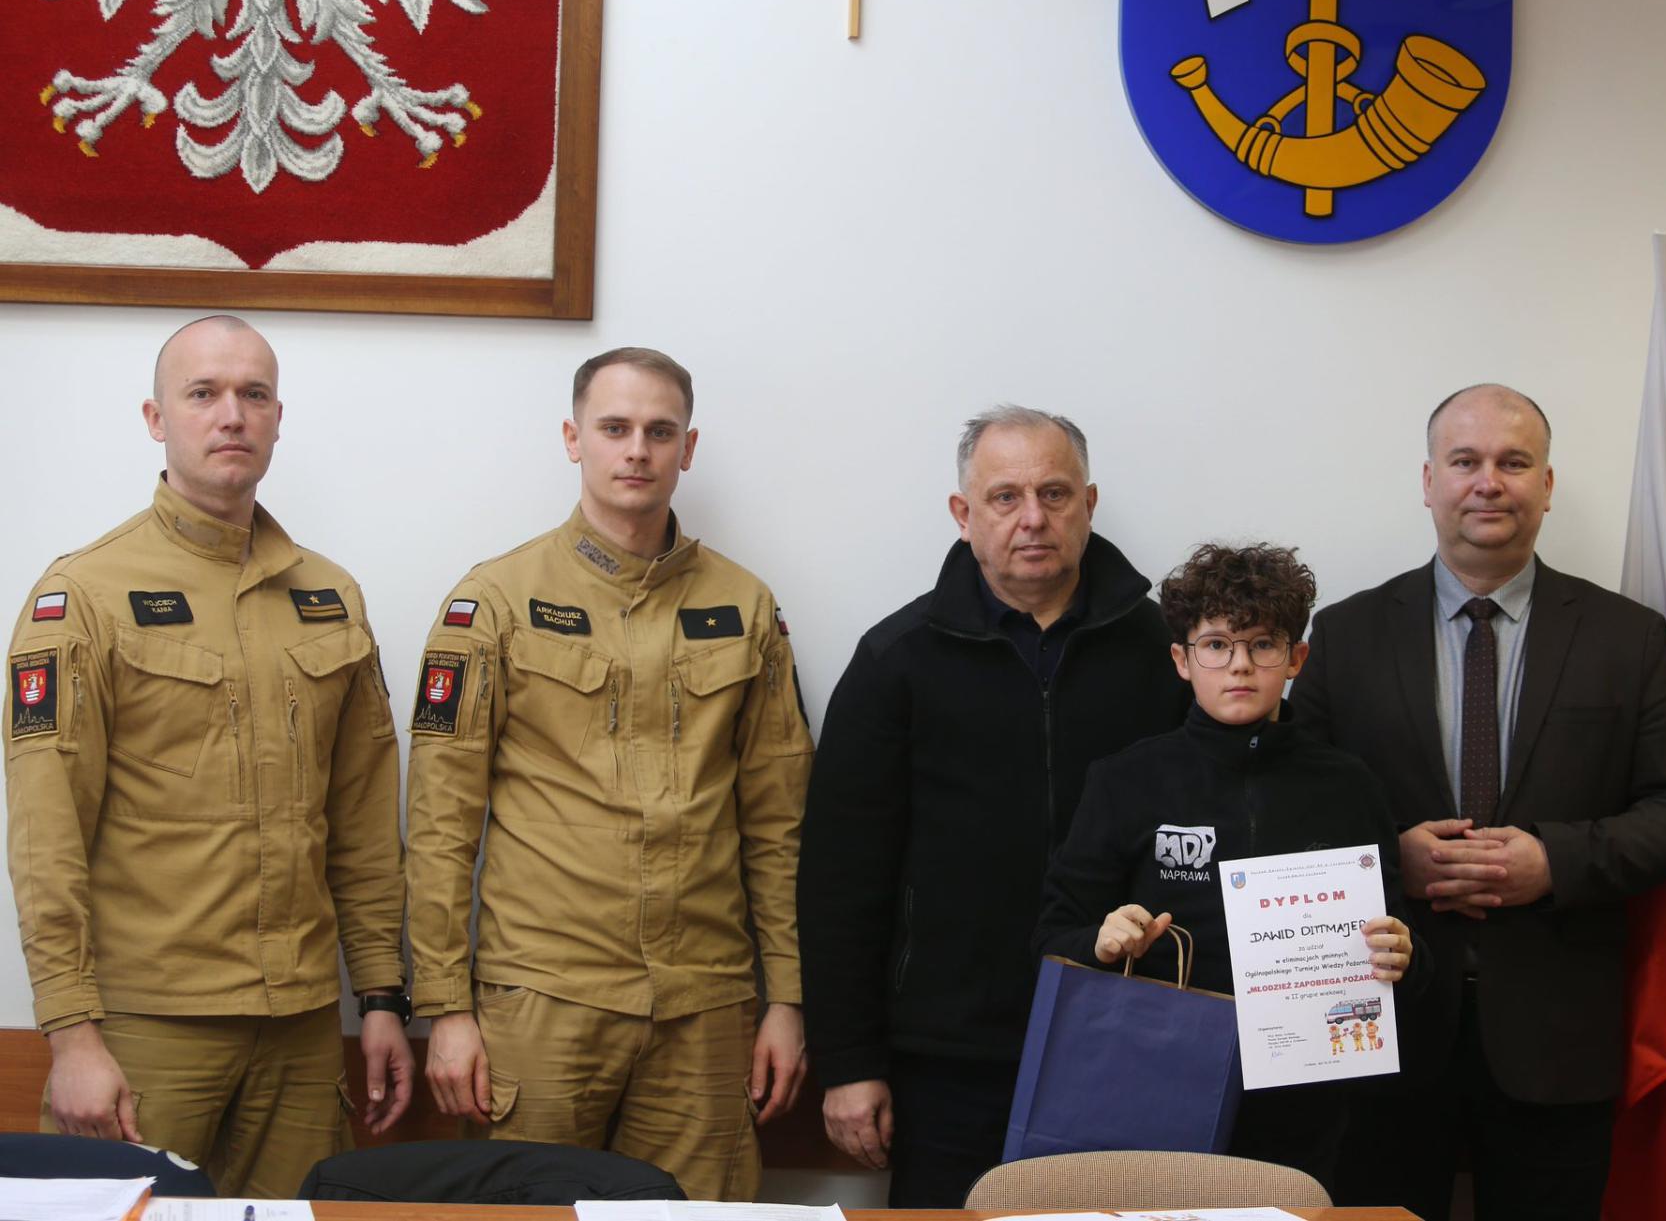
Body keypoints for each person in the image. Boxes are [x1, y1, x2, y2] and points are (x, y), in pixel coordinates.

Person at [1287, 383, 1666, 1220]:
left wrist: (1553, 860)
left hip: (1560, 1042)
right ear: (1429, 481)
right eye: (1465, 460)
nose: (1488, 481)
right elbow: (1289, 816)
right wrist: (1390, 860)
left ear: (1546, 485)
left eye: (1513, 462)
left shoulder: (1626, 636)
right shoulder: (1344, 633)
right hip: (1381, 1030)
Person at [3, 315, 411, 1197]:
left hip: (301, 1026)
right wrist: (71, 1034)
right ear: (156, 418)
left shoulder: (330, 595)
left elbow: (365, 824)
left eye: (254, 394)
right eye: (203, 393)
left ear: (277, 419)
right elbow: (45, 839)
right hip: (147, 1024)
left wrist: (380, 997)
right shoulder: (83, 595)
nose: (232, 414)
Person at [405, 348, 811, 1202]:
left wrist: (788, 998)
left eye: (659, 432)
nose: (637, 450)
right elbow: (441, 824)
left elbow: (780, 827)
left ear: (687, 448)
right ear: (573, 438)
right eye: (615, 427)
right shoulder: (494, 602)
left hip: (704, 1006)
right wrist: (445, 1007)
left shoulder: (745, 606)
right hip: (544, 999)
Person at [798, 404, 1192, 1206]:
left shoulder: (1170, 655)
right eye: (1005, 496)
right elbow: (840, 878)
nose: (1032, 518)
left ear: (1089, 503)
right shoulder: (895, 660)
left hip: (1127, 1031)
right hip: (947, 1055)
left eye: (1054, 493)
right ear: (963, 513)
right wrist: (848, 1060)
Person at [1034, 541, 1420, 1189]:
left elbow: (1403, 948)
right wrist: (1099, 942)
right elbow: (1051, 938)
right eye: (1216, 644)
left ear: (1296, 659)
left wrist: (1403, 953)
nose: (1239, 664)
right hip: (1155, 1086)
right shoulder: (1126, 780)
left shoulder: (1349, 786)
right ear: (1182, 660)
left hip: (1307, 1100)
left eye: (1262, 644)